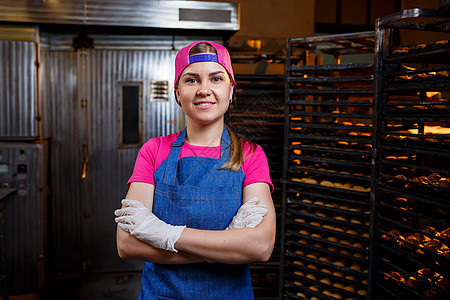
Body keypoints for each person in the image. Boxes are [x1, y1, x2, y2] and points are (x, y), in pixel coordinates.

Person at [114, 40, 276, 300]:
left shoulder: (250, 155)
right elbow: (127, 243)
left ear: (231, 90)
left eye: (216, 78)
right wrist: (226, 247)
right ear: (177, 92)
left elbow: (261, 246)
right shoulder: (154, 151)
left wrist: (163, 234)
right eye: (191, 80)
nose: (204, 89)